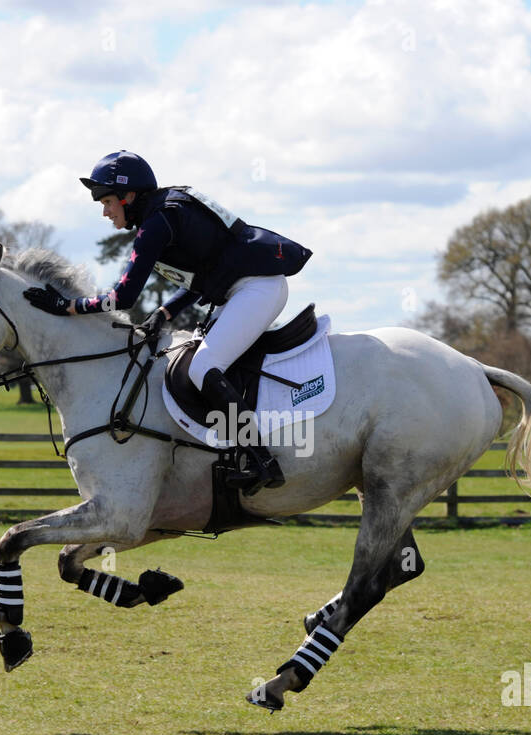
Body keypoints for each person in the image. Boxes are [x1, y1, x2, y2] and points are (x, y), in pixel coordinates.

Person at [22, 150, 313, 495]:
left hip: (257, 287)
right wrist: (164, 313)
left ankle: (260, 459)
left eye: (108, 201)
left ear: (129, 197)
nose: (104, 211)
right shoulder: (162, 213)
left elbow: (122, 298)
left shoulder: (157, 222)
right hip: (243, 288)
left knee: (203, 367)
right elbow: (200, 278)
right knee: (194, 358)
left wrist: (67, 306)